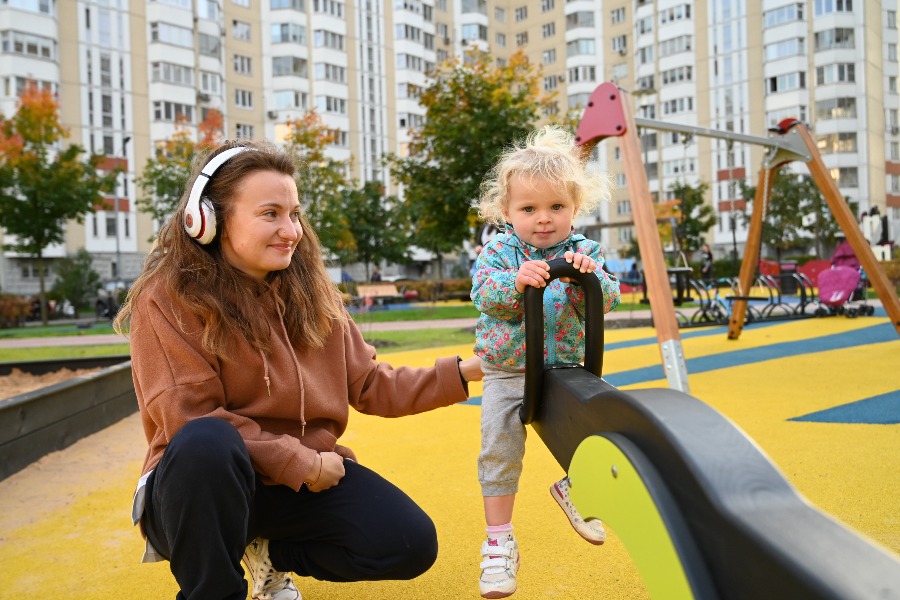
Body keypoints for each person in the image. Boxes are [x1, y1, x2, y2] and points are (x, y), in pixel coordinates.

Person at [113, 140, 483, 600]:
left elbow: (370, 383)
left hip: (296, 482)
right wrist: (303, 463)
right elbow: (190, 416)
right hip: (201, 493)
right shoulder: (167, 298)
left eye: (294, 214)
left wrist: (467, 371)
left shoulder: (313, 294)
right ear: (207, 219)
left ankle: (270, 555)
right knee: (207, 440)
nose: (290, 230)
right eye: (270, 214)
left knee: (409, 543)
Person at [470, 126, 621, 598]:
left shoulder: (584, 252)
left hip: (566, 367)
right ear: (506, 211)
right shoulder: (500, 251)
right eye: (528, 209)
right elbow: (484, 294)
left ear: (575, 208)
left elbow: (608, 298)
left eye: (556, 206)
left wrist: (588, 280)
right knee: (499, 446)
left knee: (597, 429)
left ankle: (575, 486)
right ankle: (499, 541)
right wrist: (516, 282)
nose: (543, 219)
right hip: (510, 369)